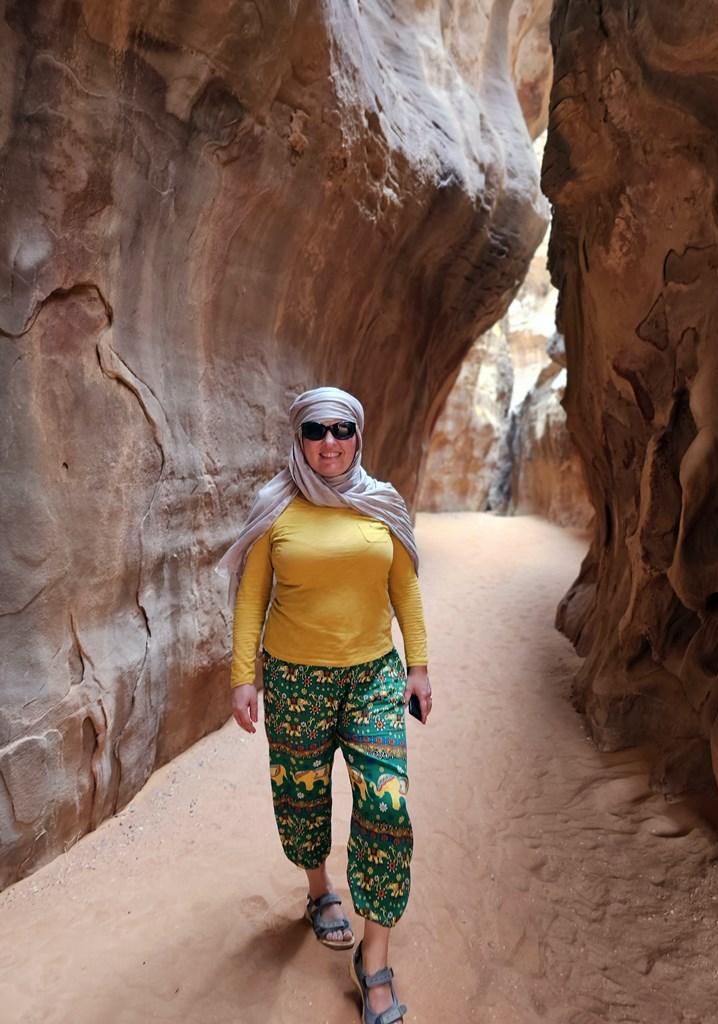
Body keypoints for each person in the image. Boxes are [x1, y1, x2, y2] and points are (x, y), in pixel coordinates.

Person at [217, 386, 432, 1024]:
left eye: (342, 429)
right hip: (294, 680)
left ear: (358, 436)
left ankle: (375, 962)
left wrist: (418, 666)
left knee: (386, 806)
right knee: (302, 795)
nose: (329, 442)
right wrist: (244, 677)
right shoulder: (276, 506)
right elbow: (251, 597)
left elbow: (405, 587)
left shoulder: (380, 503)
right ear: (299, 438)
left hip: (373, 678)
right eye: (316, 430)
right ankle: (319, 891)